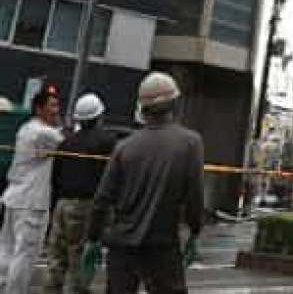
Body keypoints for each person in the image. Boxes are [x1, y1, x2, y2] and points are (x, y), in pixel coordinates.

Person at [82, 73, 204, 294]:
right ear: (174, 104)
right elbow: (194, 195)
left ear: (142, 107)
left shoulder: (124, 147)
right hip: (162, 244)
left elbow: (102, 198)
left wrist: (93, 238)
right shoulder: (190, 143)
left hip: (121, 245)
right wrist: (194, 231)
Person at [46, 94, 117, 294]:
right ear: (99, 116)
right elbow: (112, 176)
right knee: (79, 258)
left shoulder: (66, 142)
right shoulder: (107, 141)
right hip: (86, 206)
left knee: (56, 258)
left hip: (62, 204)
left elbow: (55, 177)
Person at [0, 87, 63, 294]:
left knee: (7, 250)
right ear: (39, 108)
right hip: (31, 201)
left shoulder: (25, 128)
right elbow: (66, 141)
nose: (57, 110)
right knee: (25, 254)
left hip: (15, 196)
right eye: (52, 105)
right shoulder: (44, 133)